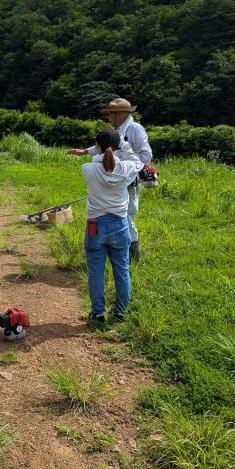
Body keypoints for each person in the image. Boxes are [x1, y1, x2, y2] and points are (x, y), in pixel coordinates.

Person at [67, 97, 152, 261]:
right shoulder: (118, 129)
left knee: (127, 217)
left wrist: (130, 173)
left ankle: (133, 255)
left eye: (109, 114)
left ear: (119, 114)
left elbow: (146, 155)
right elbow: (104, 146)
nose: (107, 118)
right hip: (113, 180)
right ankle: (115, 251)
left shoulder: (135, 129)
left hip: (127, 182)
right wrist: (83, 152)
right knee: (113, 215)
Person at [81, 130, 143, 325]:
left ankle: (98, 313)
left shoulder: (88, 168)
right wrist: (123, 143)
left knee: (96, 271)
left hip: (95, 224)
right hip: (119, 224)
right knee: (122, 270)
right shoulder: (126, 168)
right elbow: (138, 162)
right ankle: (120, 312)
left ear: (97, 145)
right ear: (117, 147)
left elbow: (100, 159)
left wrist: (109, 146)